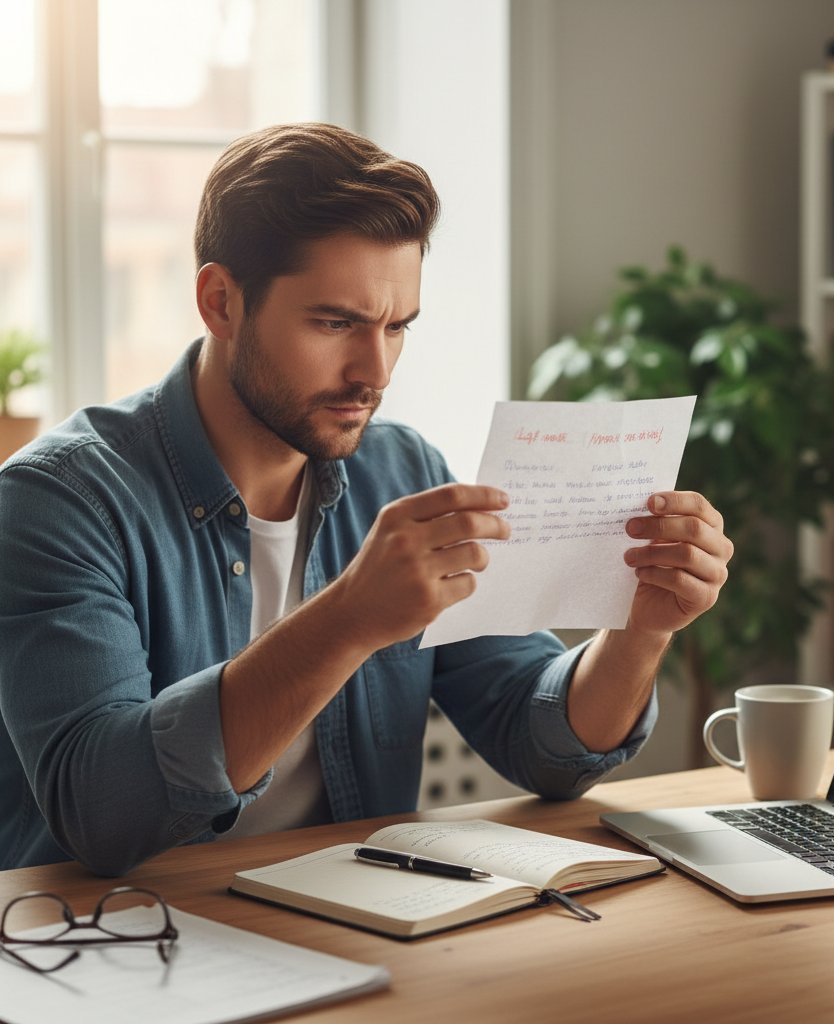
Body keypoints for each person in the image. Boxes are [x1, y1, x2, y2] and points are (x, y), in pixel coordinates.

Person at [0, 123, 733, 876]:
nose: (373, 372)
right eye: (335, 323)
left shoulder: (403, 469)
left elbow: (539, 740)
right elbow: (98, 808)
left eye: (397, 327)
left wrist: (641, 630)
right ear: (221, 302)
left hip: (353, 931)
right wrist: (349, 618)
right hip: (112, 945)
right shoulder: (58, 502)